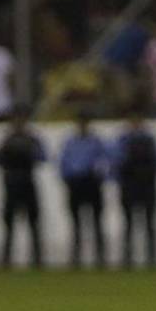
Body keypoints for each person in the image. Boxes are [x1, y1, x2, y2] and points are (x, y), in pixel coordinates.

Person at [0, 106, 47, 269]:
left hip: (27, 180)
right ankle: (6, 259)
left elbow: (42, 157)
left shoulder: (32, 139)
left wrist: (28, 154)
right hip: (11, 181)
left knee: (33, 222)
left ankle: (37, 259)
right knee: (9, 224)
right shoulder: (7, 140)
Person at [59, 110, 111, 269]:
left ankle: (100, 257)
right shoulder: (70, 142)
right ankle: (76, 257)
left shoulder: (96, 141)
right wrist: (67, 178)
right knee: (76, 223)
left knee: (96, 222)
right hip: (75, 183)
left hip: (92, 182)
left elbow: (105, 161)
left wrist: (100, 176)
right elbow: (63, 163)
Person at [115, 110, 156, 269]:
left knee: (149, 223)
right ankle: (128, 258)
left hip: (146, 185)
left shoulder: (149, 140)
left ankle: (152, 257)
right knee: (129, 224)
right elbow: (117, 163)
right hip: (129, 185)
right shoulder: (122, 140)